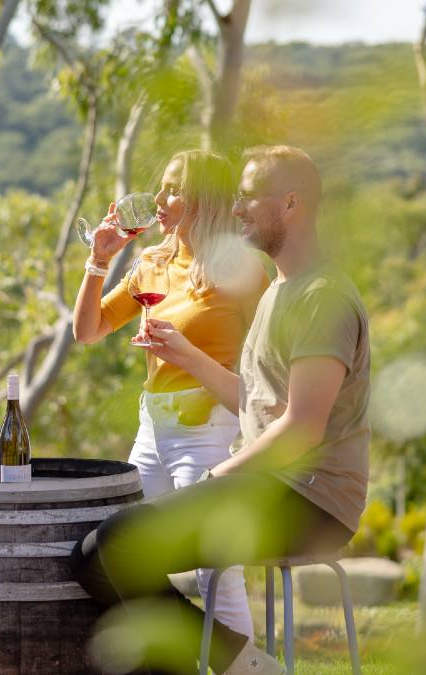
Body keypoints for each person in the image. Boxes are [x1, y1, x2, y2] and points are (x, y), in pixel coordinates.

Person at [71, 146, 370, 675]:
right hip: (268, 480)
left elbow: (302, 429)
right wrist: (186, 356)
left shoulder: (321, 297)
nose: (236, 210)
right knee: (93, 558)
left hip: (309, 497)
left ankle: (240, 664)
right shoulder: (282, 289)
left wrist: (215, 474)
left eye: (249, 198)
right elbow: (250, 400)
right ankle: (241, 662)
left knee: (116, 547)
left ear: (292, 203)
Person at [71, 149, 268, 638]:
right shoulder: (151, 264)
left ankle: (244, 671)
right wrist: (99, 260)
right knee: (116, 557)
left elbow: (270, 367)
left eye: (174, 189)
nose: (159, 199)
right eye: (161, 186)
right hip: (151, 431)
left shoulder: (242, 270)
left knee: (214, 572)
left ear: (205, 200)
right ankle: (208, 657)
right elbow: (89, 330)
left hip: (209, 432)